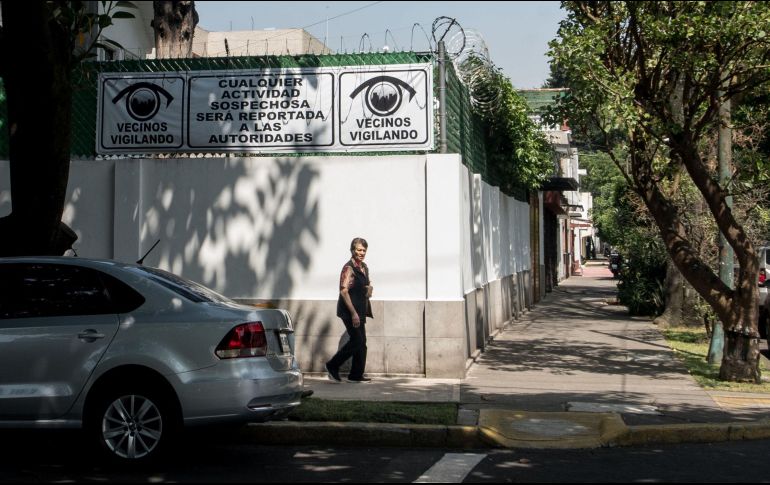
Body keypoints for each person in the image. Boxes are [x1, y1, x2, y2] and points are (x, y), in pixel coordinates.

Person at [325, 237, 373, 383]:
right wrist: (353, 314)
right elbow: (344, 291)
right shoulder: (348, 268)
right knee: (357, 339)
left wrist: (369, 288)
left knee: (362, 342)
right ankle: (332, 365)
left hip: (360, 310)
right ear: (352, 250)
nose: (362, 252)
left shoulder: (364, 267)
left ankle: (356, 375)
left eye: (364, 250)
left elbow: (365, 284)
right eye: (359, 250)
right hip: (349, 311)